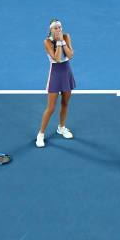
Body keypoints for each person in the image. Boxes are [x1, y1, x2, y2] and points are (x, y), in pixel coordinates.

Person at [36, 19, 76, 148]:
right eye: (55, 28)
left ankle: (61, 127)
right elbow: (58, 59)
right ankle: (40, 134)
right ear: (50, 30)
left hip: (67, 73)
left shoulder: (66, 36)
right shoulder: (47, 42)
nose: (58, 29)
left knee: (65, 103)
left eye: (59, 27)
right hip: (55, 75)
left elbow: (70, 55)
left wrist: (62, 41)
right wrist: (58, 42)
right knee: (51, 107)